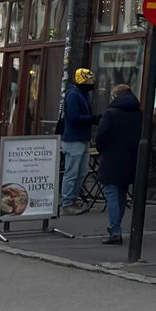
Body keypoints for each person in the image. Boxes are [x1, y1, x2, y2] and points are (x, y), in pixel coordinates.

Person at [95, 81, 144, 245]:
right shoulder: (139, 114)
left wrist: (102, 150)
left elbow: (101, 137)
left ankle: (115, 230)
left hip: (112, 158)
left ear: (115, 96)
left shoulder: (111, 113)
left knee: (111, 192)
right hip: (132, 158)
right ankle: (115, 226)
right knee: (121, 193)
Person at [57, 67, 98, 211]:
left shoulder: (82, 94)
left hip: (82, 138)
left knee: (81, 172)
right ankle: (67, 203)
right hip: (73, 139)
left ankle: (72, 199)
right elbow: (73, 118)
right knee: (72, 173)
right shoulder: (74, 95)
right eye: (89, 82)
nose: (91, 85)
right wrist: (92, 119)